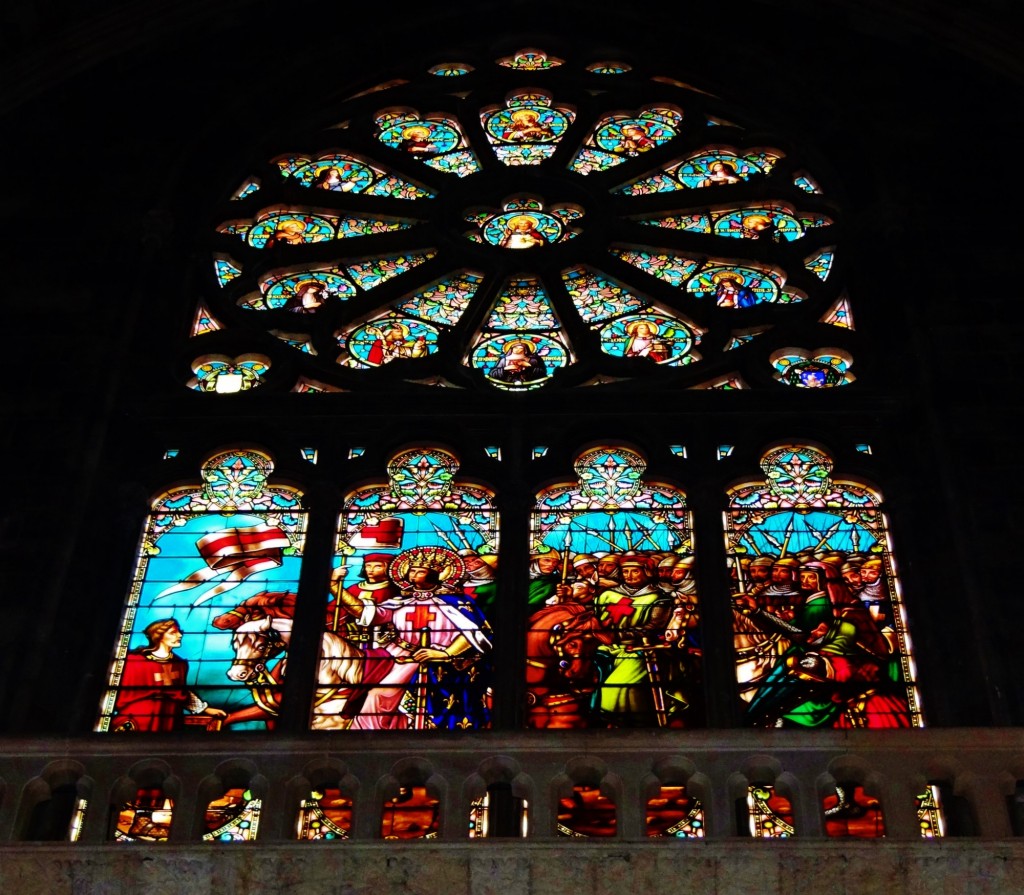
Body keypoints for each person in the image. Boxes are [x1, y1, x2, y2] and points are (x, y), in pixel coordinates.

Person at [336, 546, 491, 730]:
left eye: (420, 571)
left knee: (388, 694)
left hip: (443, 661)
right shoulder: (400, 601)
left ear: (436, 574)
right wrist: (334, 586)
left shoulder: (457, 602)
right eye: (412, 570)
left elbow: (473, 633)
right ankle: (377, 735)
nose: (413, 574)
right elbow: (366, 613)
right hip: (399, 657)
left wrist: (446, 653)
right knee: (377, 695)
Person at [592, 553, 677, 726]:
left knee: (617, 686)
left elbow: (653, 628)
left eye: (635, 571)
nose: (629, 576)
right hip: (605, 648)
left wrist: (616, 636)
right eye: (625, 571)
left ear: (647, 572)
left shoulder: (660, 599)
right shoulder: (606, 595)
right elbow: (595, 619)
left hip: (640, 651)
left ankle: (625, 725)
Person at [111, 619, 227, 732]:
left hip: (170, 716)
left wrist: (204, 709)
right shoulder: (134, 661)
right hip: (140, 717)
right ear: (158, 636)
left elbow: (180, 693)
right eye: (173, 633)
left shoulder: (179, 664)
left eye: (179, 631)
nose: (180, 635)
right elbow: (116, 690)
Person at [325, 553, 398, 634]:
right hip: (348, 632)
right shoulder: (355, 588)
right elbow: (333, 609)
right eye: (368, 565)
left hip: (377, 636)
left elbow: (367, 613)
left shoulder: (392, 591)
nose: (371, 569)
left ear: (388, 568)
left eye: (378, 566)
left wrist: (334, 584)